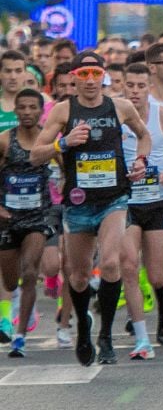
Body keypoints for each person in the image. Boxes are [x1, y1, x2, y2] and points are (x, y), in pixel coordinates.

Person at [32, 51, 150, 367]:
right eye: (83, 75)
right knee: (80, 276)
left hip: (114, 198)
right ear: (74, 78)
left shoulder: (120, 107)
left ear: (103, 75)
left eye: (95, 74)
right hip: (78, 202)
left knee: (110, 264)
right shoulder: (63, 111)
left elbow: (144, 136)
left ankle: (106, 336)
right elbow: (35, 155)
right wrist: (63, 143)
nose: (89, 80)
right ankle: (84, 329)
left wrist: (141, 161)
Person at [118, 63, 163, 359]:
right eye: (130, 85)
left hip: (159, 201)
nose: (135, 91)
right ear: (122, 86)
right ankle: (142, 338)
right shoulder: (115, 116)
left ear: (149, 87)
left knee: (158, 277)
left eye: (140, 86)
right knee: (129, 265)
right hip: (125, 203)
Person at [0, 89, 54, 357]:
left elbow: (66, 167)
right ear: (16, 111)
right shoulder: (4, 141)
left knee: (31, 272)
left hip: (37, 216)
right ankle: (16, 303)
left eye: (33, 107)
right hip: (8, 219)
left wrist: (66, 187)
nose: (27, 112)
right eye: (22, 107)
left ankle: (19, 337)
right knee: (11, 283)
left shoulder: (48, 140)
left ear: (41, 111)